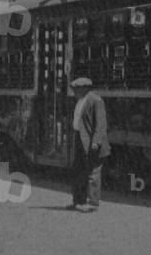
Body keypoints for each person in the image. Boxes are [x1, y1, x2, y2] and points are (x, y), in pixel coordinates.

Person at [69, 77, 110, 212]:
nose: (73, 91)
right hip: (81, 139)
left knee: (93, 173)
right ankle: (78, 201)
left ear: (85, 88)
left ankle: (93, 204)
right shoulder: (80, 100)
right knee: (78, 170)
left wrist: (96, 142)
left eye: (76, 89)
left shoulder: (96, 101)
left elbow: (101, 124)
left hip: (92, 142)